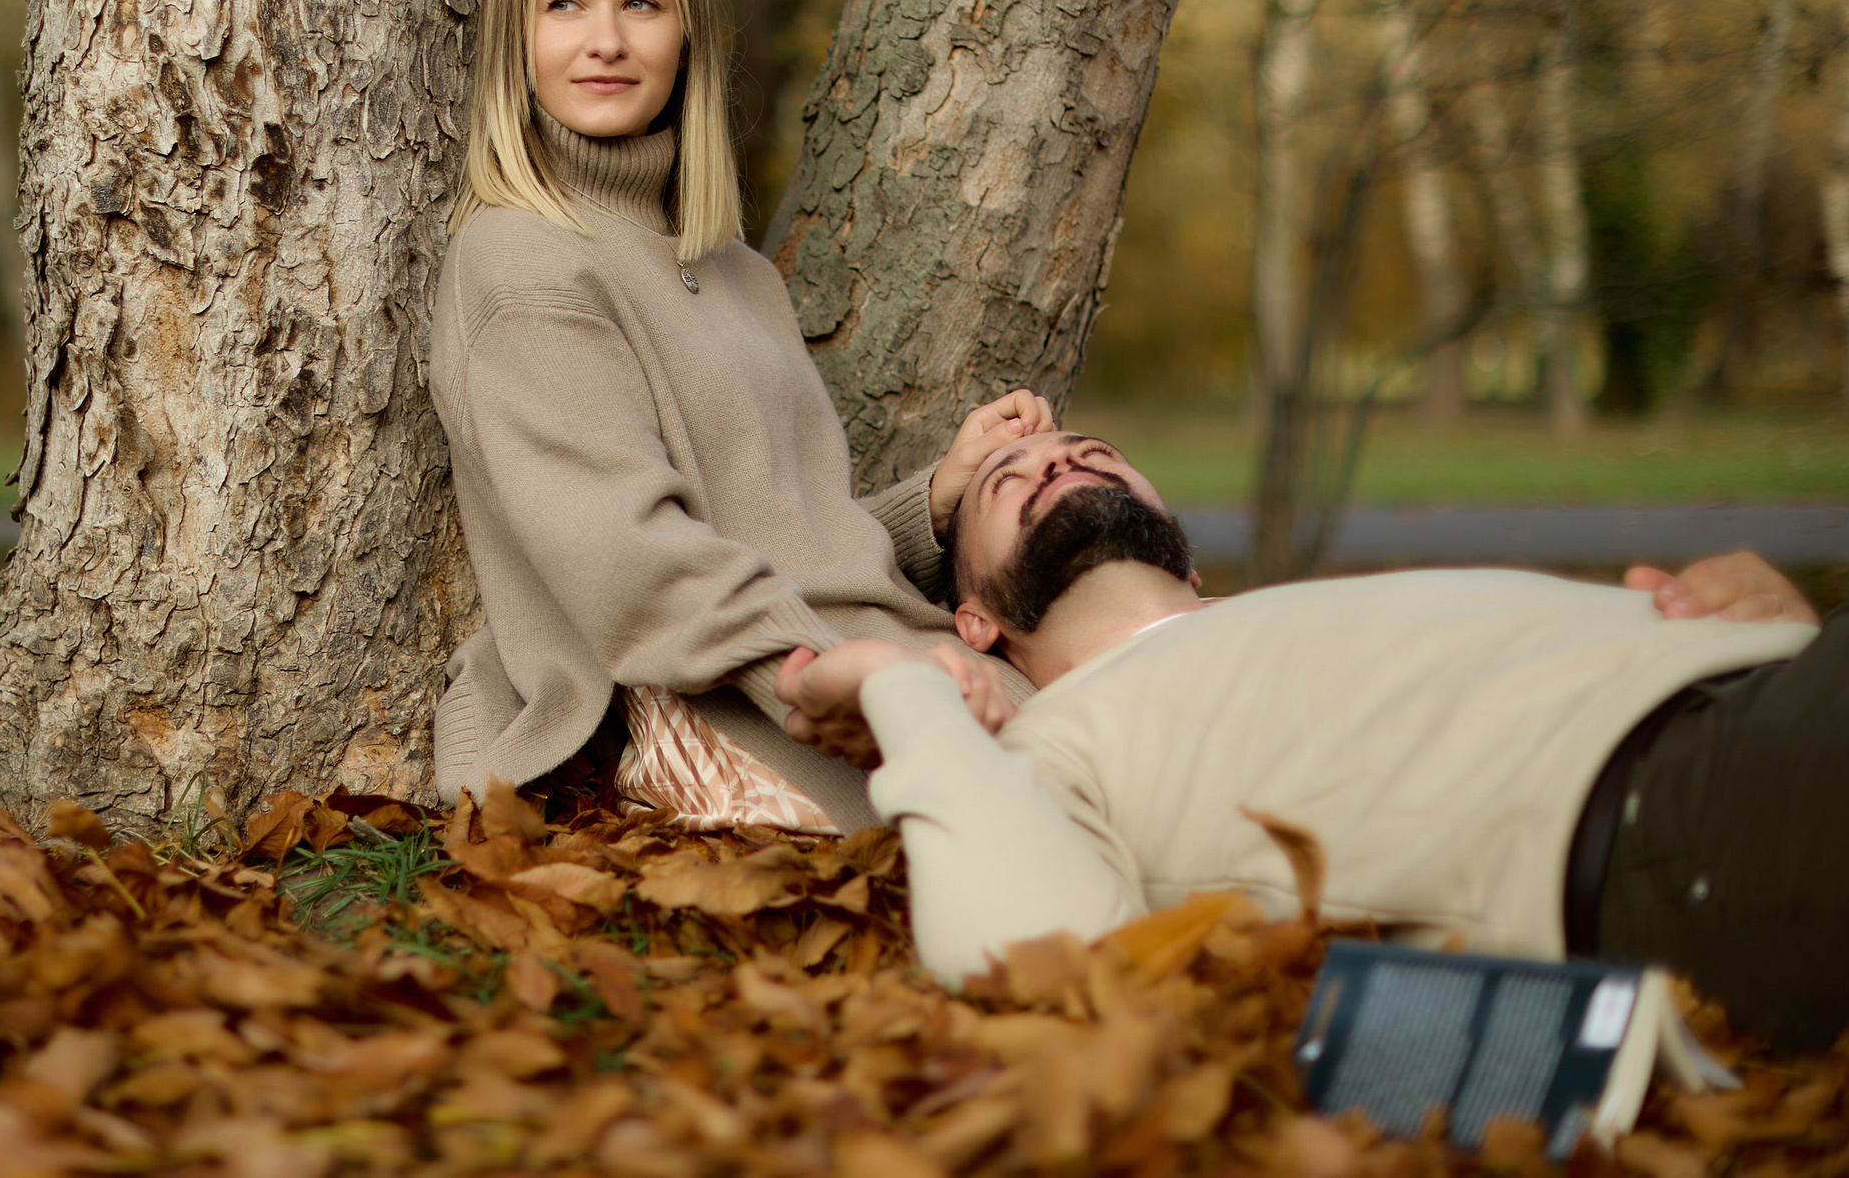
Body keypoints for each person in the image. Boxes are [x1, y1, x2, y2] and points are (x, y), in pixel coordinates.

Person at [774, 429, 1845, 1051]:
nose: (1060, 462)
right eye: (1011, 481)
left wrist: (1768, 627)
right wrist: (899, 686)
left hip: (1772, 701)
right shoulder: (1046, 749)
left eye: (1093, 453)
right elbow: (1018, 955)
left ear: (1192, 564)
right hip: (1678, 821)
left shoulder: (1286, 619)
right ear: (974, 621)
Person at [427, 0, 1029, 834]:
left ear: (688, 35)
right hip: (743, 709)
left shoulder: (738, 273)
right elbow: (628, 558)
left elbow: (775, 530)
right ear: (515, 38)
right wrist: (831, 674)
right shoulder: (521, 260)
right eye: (563, 3)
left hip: (853, 653)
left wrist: (933, 506)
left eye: (642, 2)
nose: (606, 39)